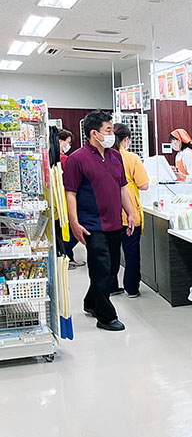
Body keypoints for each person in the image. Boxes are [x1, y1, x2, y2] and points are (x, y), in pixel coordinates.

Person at [63, 110, 136, 332]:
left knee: (112, 268)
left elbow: (123, 187)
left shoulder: (116, 157)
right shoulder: (77, 159)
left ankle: (90, 302)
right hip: (91, 225)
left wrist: (130, 212)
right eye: (108, 130)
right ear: (95, 133)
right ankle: (106, 316)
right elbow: (70, 193)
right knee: (102, 270)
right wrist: (74, 223)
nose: (112, 133)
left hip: (115, 223)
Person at [110, 123, 149, 298]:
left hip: (109, 213)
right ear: (126, 139)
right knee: (131, 253)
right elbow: (144, 185)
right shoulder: (131, 158)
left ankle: (111, 285)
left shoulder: (105, 157)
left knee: (111, 253)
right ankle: (131, 288)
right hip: (129, 213)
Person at [56, 129, 85, 269]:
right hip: (66, 198)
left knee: (61, 230)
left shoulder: (50, 157)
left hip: (57, 200)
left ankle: (66, 256)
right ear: (60, 141)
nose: (68, 146)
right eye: (67, 142)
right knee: (71, 230)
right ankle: (67, 256)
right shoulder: (65, 159)